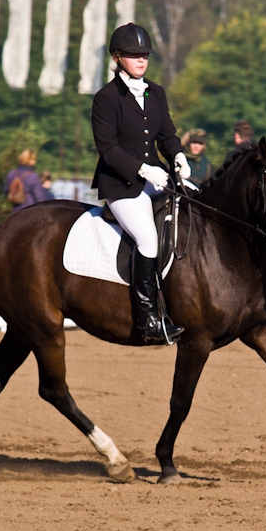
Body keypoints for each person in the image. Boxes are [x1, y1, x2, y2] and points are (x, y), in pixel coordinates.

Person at [91, 23, 190, 344]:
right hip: (121, 185)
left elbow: (167, 136)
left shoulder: (156, 92)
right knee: (147, 239)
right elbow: (107, 148)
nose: (141, 60)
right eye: (134, 55)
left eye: (144, 54)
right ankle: (147, 319)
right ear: (118, 57)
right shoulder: (106, 98)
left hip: (159, 177)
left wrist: (178, 156)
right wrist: (144, 170)